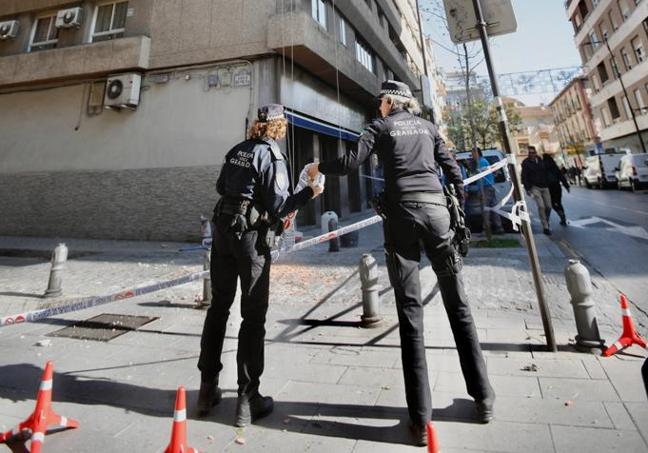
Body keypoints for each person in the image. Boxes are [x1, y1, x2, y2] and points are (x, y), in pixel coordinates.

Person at [308, 81, 495, 446]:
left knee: (410, 315)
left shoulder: (380, 127)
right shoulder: (428, 128)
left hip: (402, 217)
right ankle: (484, 398)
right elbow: (453, 170)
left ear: (391, 102)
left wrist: (318, 165)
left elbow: (348, 163)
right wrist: (457, 204)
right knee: (459, 307)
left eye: (381, 101)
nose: (378, 107)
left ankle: (420, 420)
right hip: (438, 215)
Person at [197, 104, 322, 426]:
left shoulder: (237, 149)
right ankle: (247, 400)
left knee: (218, 309)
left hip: (222, 232)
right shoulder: (272, 156)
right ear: (279, 128)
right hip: (250, 240)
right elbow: (279, 205)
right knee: (252, 318)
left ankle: (206, 388)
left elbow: (221, 187)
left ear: (257, 125)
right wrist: (310, 191)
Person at [521, 146, 552, 235]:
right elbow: (524, 176)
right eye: (530, 153)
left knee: (548, 206)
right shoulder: (526, 163)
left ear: (536, 152)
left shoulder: (541, 161)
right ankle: (545, 226)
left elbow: (546, 172)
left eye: (533, 152)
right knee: (541, 206)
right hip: (534, 187)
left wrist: (549, 182)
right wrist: (527, 188)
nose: (532, 154)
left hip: (545, 186)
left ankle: (546, 220)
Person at [475, 149, 504, 234]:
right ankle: (499, 227)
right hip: (491, 186)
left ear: (477, 153)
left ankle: (486, 229)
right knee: (494, 207)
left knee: (485, 209)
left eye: (473, 153)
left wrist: (480, 190)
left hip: (485, 188)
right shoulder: (484, 161)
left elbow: (481, 178)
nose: (472, 156)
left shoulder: (481, 162)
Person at [543, 154, 570, 226]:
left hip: (548, 188)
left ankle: (547, 221)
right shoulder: (554, 166)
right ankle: (563, 217)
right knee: (558, 202)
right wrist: (567, 186)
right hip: (557, 187)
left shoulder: (542, 166)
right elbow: (561, 177)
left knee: (550, 204)